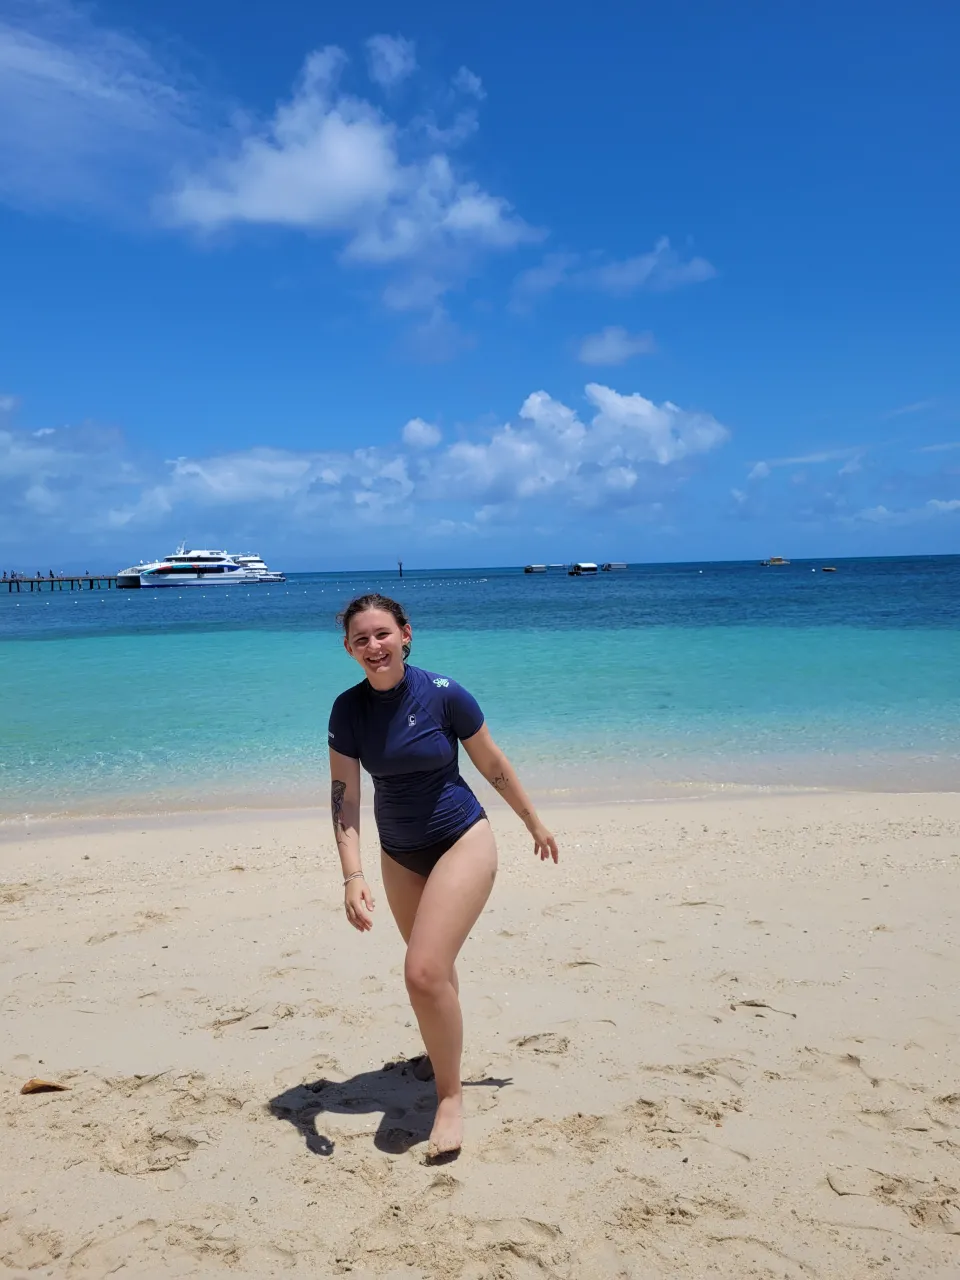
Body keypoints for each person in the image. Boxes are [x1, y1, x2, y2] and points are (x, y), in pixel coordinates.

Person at [328, 593, 558, 1158]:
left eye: (382, 634)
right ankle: (443, 1054)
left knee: (423, 971)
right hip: (399, 853)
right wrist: (351, 875)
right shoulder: (347, 710)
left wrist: (534, 823)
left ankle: (450, 1099)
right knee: (435, 970)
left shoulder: (443, 695)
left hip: (462, 839)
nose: (373, 646)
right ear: (349, 649)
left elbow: (492, 765)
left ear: (406, 634)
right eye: (361, 639)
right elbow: (345, 797)